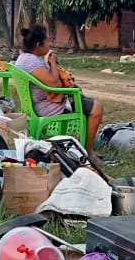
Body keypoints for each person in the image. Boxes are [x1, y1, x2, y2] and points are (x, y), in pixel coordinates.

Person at [15, 24, 104, 159]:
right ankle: (88, 152)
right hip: (48, 107)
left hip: (39, 104)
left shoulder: (24, 58)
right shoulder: (31, 60)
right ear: (39, 45)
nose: (49, 44)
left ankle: (85, 146)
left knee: (86, 101)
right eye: (47, 41)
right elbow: (55, 85)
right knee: (96, 107)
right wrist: (52, 63)